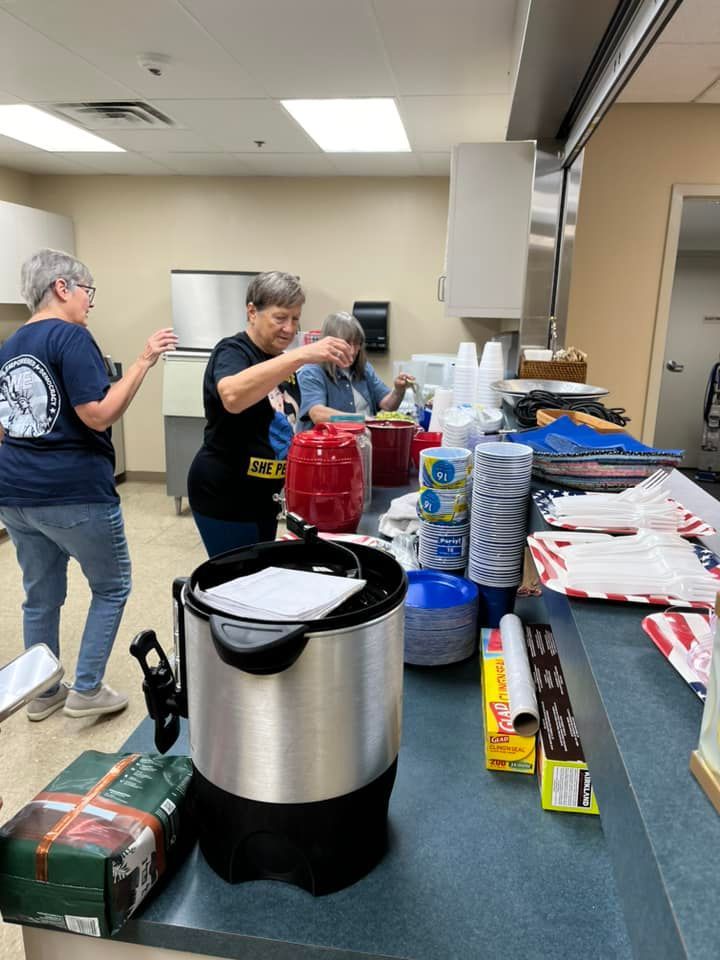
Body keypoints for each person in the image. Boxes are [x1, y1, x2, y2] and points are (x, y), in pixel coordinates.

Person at [0, 248, 178, 721]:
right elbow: (98, 415)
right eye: (87, 291)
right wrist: (143, 360)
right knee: (112, 585)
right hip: (73, 490)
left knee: (40, 594)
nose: (90, 302)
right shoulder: (72, 337)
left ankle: (41, 693)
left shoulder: (11, 345)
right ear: (63, 287)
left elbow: (4, 426)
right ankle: (86, 689)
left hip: (15, 492)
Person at [187, 271, 353, 557]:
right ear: (252, 312)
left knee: (258, 576)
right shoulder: (233, 350)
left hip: (264, 498)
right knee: (237, 585)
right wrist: (300, 355)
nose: (289, 328)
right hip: (225, 495)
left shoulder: (280, 362)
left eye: (295, 319)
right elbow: (233, 397)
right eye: (280, 317)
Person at [298, 312, 414, 426]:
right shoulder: (311, 372)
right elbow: (318, 415)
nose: (353, 351)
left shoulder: (364, 368)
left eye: (357, 343)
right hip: (330, 442)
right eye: (347, 343)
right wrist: (361, 419)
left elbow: (388, 406)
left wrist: (398, 390)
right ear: (330, 343)